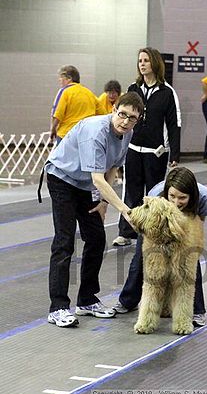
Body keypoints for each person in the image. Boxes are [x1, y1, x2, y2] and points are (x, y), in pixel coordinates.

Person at [45, 91, 144, 328]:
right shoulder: (95, 132)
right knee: (65, 241)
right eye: (122, 114)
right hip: (62, 178)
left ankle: (87, 300)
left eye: (132, 118)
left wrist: (102, 202)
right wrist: (125, 211)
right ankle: (58, 307)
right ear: (113, 110)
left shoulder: (127, 133)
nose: (125, 121)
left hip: (85, 184)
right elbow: (98, 179)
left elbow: (112, 169)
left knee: (97, 238)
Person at [112, 167, 207, 327]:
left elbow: (199, 224)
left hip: (185, 230)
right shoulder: (155, 194)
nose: (175, 202)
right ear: (166, 192)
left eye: (182, 198)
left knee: (188, 272)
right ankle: (128, 301)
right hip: (154, 228)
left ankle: (196, 311)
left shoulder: (203, 198)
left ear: (191, 196)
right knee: (142, 265)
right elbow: (145, 223)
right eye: (172, 196)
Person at [113, 47, 181, 247]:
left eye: (146, 60)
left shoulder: (168, 93)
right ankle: (126, 232)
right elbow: (121, 116)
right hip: (133, 150)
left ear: (155, 63)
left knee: (155, 195)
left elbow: (174, 124)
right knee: (131, 192)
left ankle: (154, 234)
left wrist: (174, 154)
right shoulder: (133, 89)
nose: (142, 64)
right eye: (140, 60)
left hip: (156, 153)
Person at [50, 65, 102, 145]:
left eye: (61, 77)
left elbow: (57, 114)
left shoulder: (64, 91)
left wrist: (53, 130)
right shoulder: (89, 93)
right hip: (85, 136)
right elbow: (101, 114)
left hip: (66, 134)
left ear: (69, 78)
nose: (59, 80)